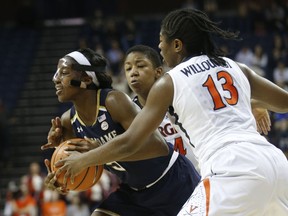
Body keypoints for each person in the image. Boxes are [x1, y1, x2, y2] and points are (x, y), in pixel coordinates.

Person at [52, 9, 288, 215]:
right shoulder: (236, 66)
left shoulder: (170, 81)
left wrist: (83, 160)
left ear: (177, 45)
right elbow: (283, 103)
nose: (160, 48)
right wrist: (253, 102)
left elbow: (133, 140)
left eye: (161, 41)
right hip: (275, 163)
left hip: (230, 168)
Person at [41, 47, 200, 216]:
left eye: (64, 72)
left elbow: (157, 146)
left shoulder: (113, 101)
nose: (55, 79)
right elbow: (84, 171)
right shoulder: (68, 121)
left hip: (173, 181)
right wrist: (61, 177)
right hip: (134, 193)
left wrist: (96, 152)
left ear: (86, 78)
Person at [123, 44, 272, 171]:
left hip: (203, 172)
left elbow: (216, 104)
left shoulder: (180, 94)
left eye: (140, 66)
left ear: (158, 71)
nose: (133, 73)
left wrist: (253, 103)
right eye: (128, 69)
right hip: (165, 184)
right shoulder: (128, 112)